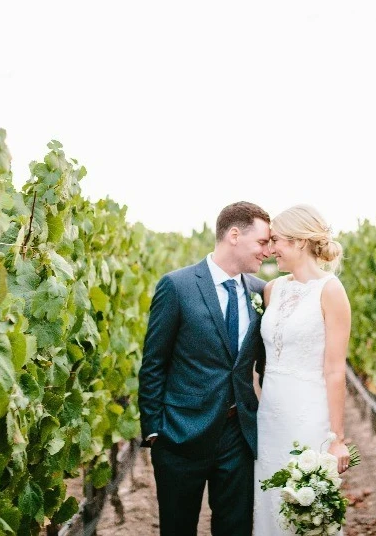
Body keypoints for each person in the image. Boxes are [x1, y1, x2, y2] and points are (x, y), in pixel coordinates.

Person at [138, 201, 272, 536]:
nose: (267, 251)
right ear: (235, 235)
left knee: (235, 529)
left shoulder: (261, 292)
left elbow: (265, 366)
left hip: (237, 437)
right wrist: (155, 431)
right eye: (262, 242)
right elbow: (154, 362)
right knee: (178, 528)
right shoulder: (177, 286)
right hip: (181, 435)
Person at [254, 204, 353, 535]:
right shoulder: (272, 290)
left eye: (276, 241)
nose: (270, 250)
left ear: (299, 241)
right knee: (269, 501)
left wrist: (337, 439)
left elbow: (335, 370)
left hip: (309, 414)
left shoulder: (331, 291)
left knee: (305, 509)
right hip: (270, 415)